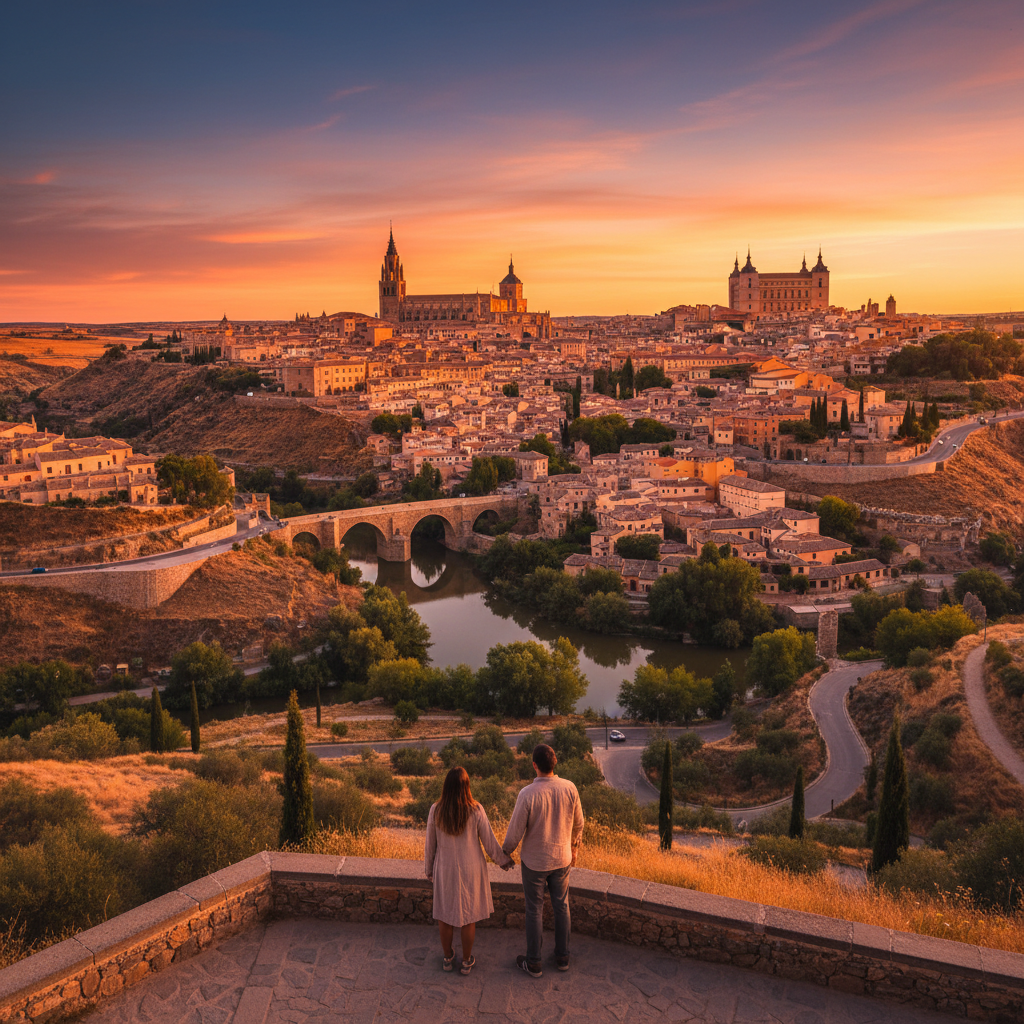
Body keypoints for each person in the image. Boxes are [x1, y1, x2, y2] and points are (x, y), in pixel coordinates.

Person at [502, 743, 584, 978]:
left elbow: (515, 833)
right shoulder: (570, 788)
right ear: (554, 763)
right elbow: (580, 823)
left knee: (534, 909)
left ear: (534, 765)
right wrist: (574, 848)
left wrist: (504, 853)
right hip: (562, 858)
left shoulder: (527, 794)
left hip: (535, 862)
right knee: (562, 906)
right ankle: (563, 957)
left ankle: (534, 962)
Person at [424, 766, 513, 975]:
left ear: (446, 786)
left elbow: (430, 844)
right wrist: (503, 861)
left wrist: (428, 869)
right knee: (468, 917)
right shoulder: (476, 809)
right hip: (471, 869)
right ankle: (466, 961)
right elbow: (489, 842)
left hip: (444, 868)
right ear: (467, 786)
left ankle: (447, 958)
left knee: (444, 916)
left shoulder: (436, 810)